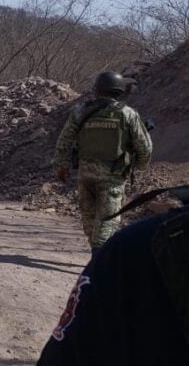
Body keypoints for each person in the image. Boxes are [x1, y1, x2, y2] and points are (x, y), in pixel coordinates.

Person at [30, 186, 189, 366]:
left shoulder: (137, 248)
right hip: (111, 179)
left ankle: (96, 248)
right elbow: (142, 152)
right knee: (104, 221)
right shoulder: (141, 249)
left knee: (94, 219)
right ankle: (97, 247)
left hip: (89, 174)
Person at [52, 71, 152, 252]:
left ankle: (97, 254)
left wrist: (61, 167)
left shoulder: (80, 111)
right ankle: (98, 261)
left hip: (85, 174)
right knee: (107, 220)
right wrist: (139, 167)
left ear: (97, 90)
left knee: (90, 220)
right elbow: (144, 147)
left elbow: (64, 142)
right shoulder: (127, 114)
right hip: (113, 177)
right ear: (120, 92)